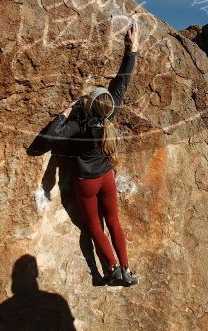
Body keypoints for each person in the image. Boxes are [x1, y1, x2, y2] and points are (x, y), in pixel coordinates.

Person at [42, 22, 141, 287]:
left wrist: (65, 112)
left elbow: (50, 137)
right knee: (114, 223)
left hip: (86, 184)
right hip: (106, 178)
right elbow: (122, 81)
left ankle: (110, 270)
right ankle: (127, 270)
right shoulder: (110, 116)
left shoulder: (78, 126)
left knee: (95, 226)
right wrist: (132, 50)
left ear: (89, 104)